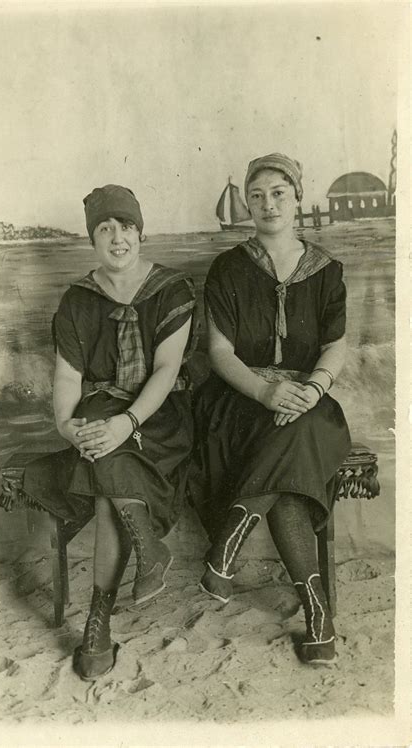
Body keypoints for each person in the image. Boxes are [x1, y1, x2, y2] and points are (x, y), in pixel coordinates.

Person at [23, 184, 196, 680]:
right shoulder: (79, 299)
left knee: (105, 459)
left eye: (126, 226)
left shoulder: (171, 289)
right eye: (104, 228)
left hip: (159, 415)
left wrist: (128, 422)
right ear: (92, 239)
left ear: (141, 233)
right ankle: (145, 552)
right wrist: (64, 424)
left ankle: (98, 623)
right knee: (100, 453)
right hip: (101, 414)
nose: (116, 237)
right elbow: (68, 378)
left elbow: (166, 370)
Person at [193, 154, 351, 665]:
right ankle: (317, 615)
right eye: (257, 194)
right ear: (246, 202)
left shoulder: (326, 270)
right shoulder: (228, 267)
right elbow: (219, 353)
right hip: (241, 401)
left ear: (298, 197)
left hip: (309, 399)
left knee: (298, 434)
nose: (268, 203)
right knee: (289, 463)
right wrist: (264, 393)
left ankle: (227, 548)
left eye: (279, 192)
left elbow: (335, 346)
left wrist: (314, 388)